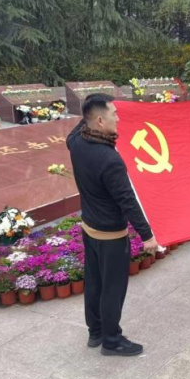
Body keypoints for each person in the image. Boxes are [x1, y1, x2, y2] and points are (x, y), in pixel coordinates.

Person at [67, 93, 158, 357]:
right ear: (99, 121)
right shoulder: (109, 159)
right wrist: (147, 235)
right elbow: (127, 201)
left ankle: (95, 332)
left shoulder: (76, 142)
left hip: (90, 228)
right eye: (114, 114)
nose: (118, 118)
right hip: (111, 235)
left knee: (94, 283)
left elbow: (77, 128)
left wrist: (89, 106)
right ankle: (111, 340)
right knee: (113, 289)